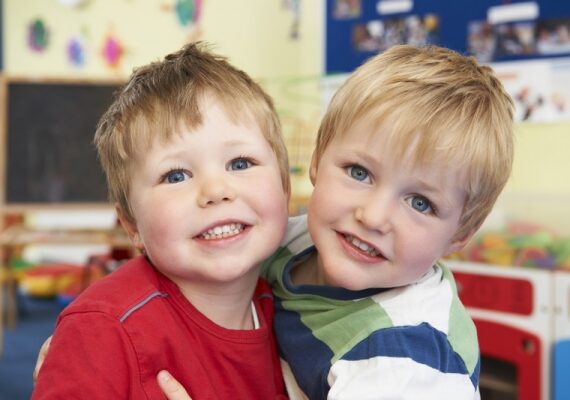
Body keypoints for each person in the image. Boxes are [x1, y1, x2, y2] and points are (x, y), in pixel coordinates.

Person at [155, 44, 514, 400]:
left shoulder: (404, 362)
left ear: (461, 234)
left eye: (420, 203)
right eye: (359, 172)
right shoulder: (290, 240)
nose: (372, 217)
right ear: (317, 159)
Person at [32, 42, 290, 399]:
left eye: (240, 163)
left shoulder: (298, 312)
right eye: (176, 175)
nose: (216, 190)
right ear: (131, 225)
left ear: (285, 187)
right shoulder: (101, 331)